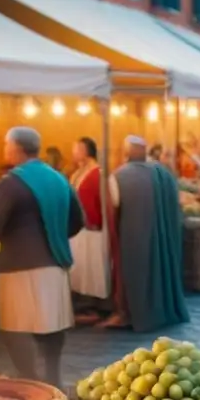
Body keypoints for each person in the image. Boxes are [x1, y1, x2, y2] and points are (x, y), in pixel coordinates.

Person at [0, 128, 84, 385]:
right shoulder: (59, 179)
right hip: (55, 265)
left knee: (16, 330)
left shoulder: (11, 182)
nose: (4, 149)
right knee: (52, 329)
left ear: (16, 148)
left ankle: (30, 383)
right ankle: (53, 382)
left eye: (6, 144)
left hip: (18, 266)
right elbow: (78, 221)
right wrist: (54, 236)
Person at [101, 136, 188, 332]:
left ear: (126, 152)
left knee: (135, 274)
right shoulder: (163, 173)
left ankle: (127, 314)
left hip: (133, 237)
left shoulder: (119, 176)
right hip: (164, 238)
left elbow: (112, 207)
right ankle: (162, 308)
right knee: (160, 270)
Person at [69, 137, 110, 322]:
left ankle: (92, 306)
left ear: (87, 151)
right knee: (80, 267)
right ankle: (81, 305)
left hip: (92, 229)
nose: (74, 151)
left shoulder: (98, 173)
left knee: (90, 268)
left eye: (77, 148)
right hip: (79, 229)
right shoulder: (78, 172)